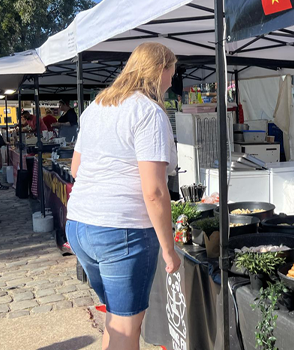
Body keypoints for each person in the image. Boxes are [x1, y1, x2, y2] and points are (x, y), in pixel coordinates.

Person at [66, 42, 181, 350]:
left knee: (118, 321)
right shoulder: (149, 112)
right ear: (160, 70)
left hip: (80, 224)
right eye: (172, 70)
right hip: (122, 229)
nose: (173, 78)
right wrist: (169, 249)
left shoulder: (97, 107)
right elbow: (154, 191)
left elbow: (75, 168)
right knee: (127, 329)